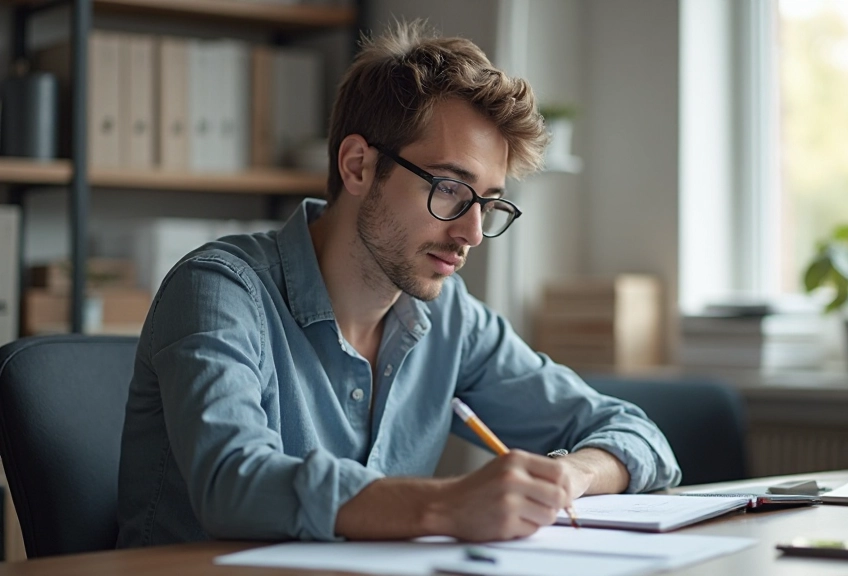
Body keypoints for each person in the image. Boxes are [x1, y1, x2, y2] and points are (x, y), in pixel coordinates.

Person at [116, 21, 681, 548]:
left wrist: (566, 477)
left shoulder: (450, 318)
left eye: (488, 203)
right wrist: (446, 506)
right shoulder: (219, 291)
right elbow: (232, 483)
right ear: (358, 166)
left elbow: (635, 433)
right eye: (451, 190)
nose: (473, 233)